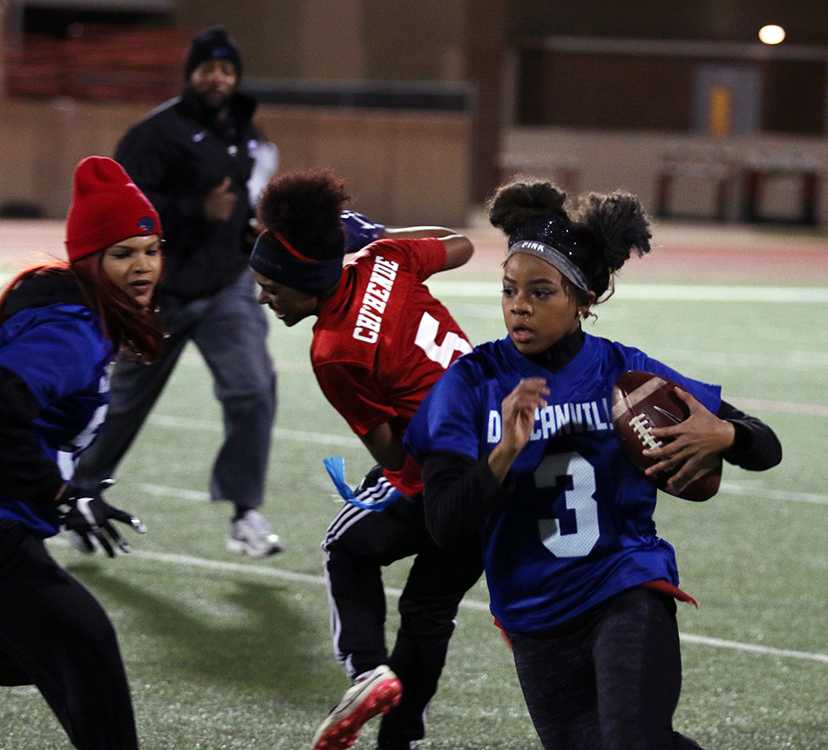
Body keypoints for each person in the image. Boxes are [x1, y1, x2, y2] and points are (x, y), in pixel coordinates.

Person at [404, 179, 783, 750]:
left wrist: (725, 432)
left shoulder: (624, 374)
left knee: (631, 739)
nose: (519, 306)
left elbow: (766, 444)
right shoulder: (469, 384)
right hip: (532, 612)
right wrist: (504, 452)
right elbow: (445, 525)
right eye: (508, 290)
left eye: (540, 292)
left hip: (622, 585)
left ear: (583, 299)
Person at [249, 169, 483, 750]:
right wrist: (378, 235)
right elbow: (461, 243)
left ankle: (365, 671)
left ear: (307, 284)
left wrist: (398, 475)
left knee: (344, 547)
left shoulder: (333, 351)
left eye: (273, 288)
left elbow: (391, 449)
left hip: (439, 472)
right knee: (429, 610)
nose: (264, 298)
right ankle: (398, 737)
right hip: (498, 462)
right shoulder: (385, 257)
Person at [73, 26, 280, 556]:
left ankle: (245, 512)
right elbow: (120, 215)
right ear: (190, 74)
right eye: (208, 68)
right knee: (119, 408)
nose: (218, 78)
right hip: (159, 294)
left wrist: (247, 230)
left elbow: (234, 203)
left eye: (227, 69)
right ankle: (77, 495)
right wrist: (195, 211)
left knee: (253, 389)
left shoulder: (240, 129)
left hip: (225, 287)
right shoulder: (152, 136)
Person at [0, 156, 165, 749]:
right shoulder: (72, 328)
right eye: (123, 253)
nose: (143, 266)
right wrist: (56, 492)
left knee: (34, 653)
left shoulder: (73, 312)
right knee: (84, 647)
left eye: (150, 248)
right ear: (90, 260)